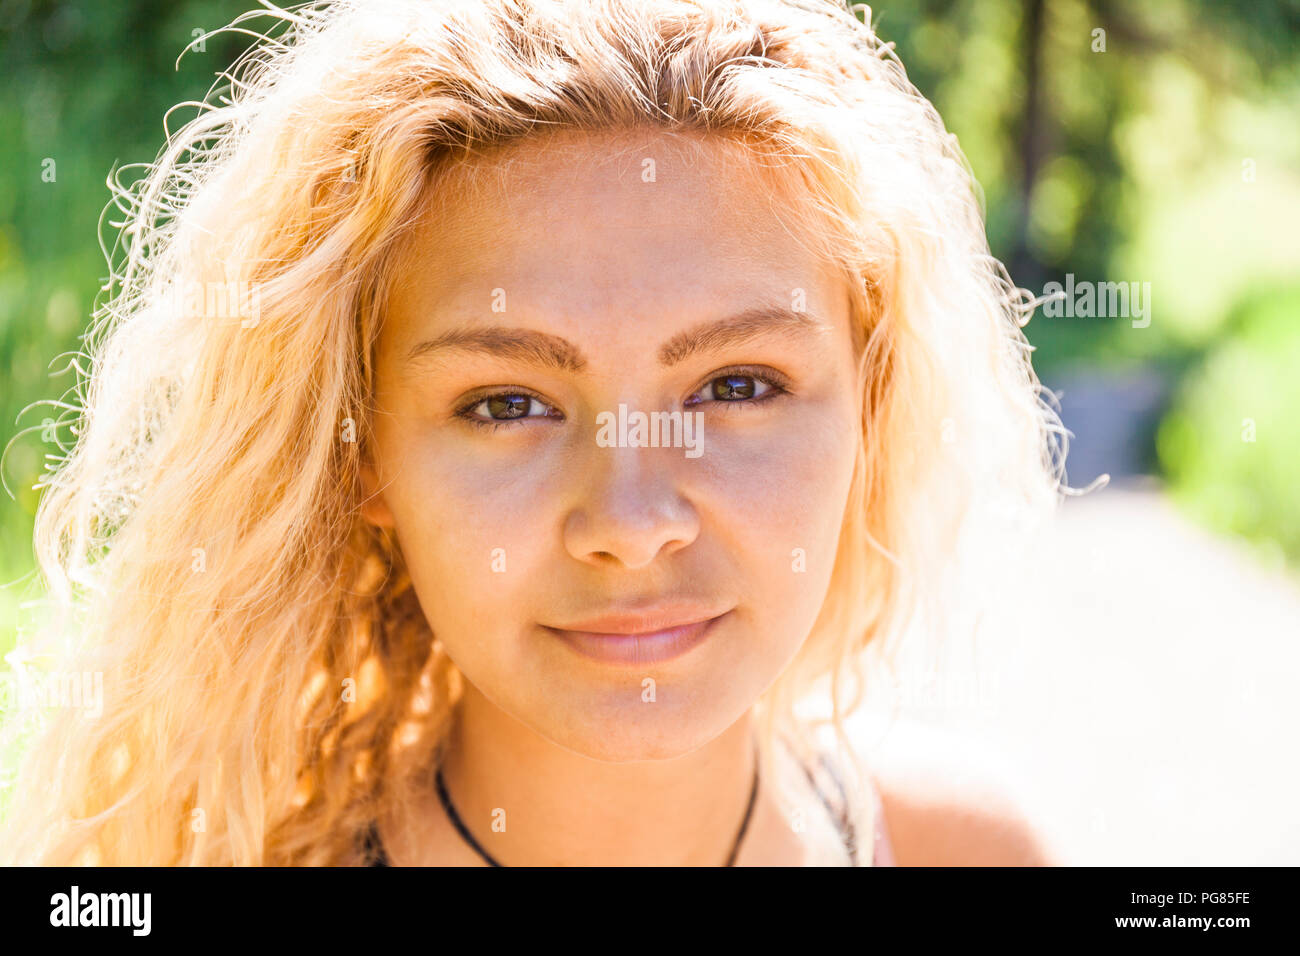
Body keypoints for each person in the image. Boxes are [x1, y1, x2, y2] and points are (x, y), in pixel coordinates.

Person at [0, 0, 1064, 866]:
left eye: (736, 383)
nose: (632, 521)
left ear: (868, 406)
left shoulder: (960, 850)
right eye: (507, 402)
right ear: (361, 451)